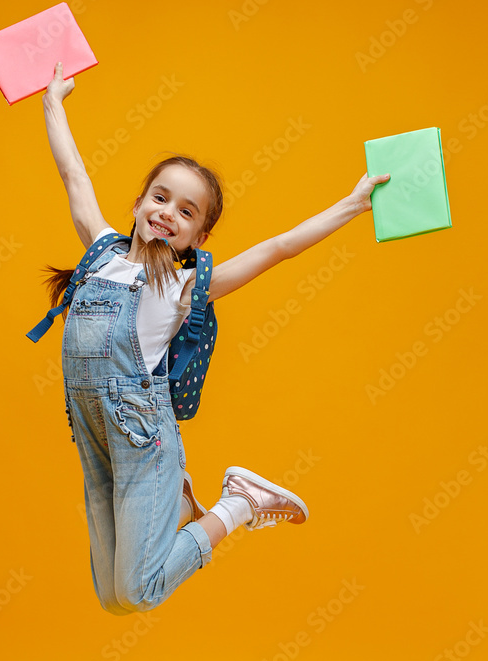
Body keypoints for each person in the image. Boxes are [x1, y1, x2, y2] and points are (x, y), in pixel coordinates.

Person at [38, 61, 390, 615]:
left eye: (186, 211)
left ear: (198, 236)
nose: (167, 213)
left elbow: (278, 248)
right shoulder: (100, 252)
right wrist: (53, 103)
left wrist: (353, 204)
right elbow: (74, 177)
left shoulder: (181, 287)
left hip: (143, 442)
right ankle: (183, 498)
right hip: (94, 438)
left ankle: (237, 505)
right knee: (113, 599)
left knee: (138, 590)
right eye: (159, 197)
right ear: (136, 204)